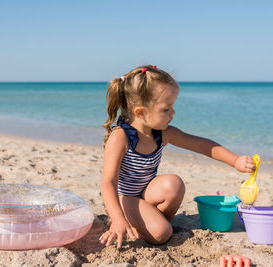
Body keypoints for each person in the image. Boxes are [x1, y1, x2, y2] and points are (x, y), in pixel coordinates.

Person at [99, 65, 255, 248]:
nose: (173, 113)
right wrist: (117, 217)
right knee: (163, 233)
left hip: (146, 193)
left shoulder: (162, 133)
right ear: (140, 112)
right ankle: (135, 223)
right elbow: (107, 182)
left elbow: (201, 145)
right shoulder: (121, 137)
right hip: (125, 200)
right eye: (166, 109)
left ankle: (152, 222)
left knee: (174, 184)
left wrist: (235, 160)